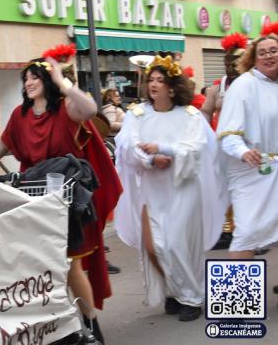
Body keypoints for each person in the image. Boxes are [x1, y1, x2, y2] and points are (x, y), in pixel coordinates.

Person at [0, 57, 122, 343]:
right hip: (34, 198)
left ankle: (91, 325)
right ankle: (60, 327)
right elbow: (1, 146)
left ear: (46, 81)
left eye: (34, 77)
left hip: (67, 198)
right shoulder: (19, 115)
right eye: (25, 79)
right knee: (40, 266)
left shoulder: (66, 108)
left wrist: (62, 81)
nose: (29, 83)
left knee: (69, 265)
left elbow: (90, 109)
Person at [114, 55, 227, 322]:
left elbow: (198, 148)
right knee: (155, 247)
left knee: (176, 244)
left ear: (173, 87)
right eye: (151, 79)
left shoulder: (189, 116)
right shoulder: (137, 114)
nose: (154, 84)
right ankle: (175, 292)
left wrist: (164, 149)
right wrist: (151, 160)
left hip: (183, 188)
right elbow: (126, 146)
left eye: (160, 80)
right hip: (151, 189)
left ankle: (191, 298)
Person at [216, 33, 278, 259]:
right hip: (251, 172)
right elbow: (227, 133)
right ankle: (236, 295)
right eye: (262, 53)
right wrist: (243, 152)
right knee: (247, 233)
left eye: (273, 51)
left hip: (275, 170)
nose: (269, 56)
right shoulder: (244, 85)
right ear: (254, 58)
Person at [201, 33, 248, 250]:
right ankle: (226, 229)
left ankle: (246, 231)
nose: (231, 66)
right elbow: (205, 114)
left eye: (235, 61)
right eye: (227, 62)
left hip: (250, 147)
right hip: (223, 145)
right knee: (221, 187)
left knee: (246, 192)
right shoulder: (217, 87)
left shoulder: (255, 83)